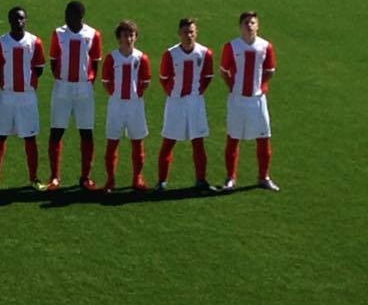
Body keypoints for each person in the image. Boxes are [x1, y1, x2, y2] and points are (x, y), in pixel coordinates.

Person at [0, 6, 48, 192]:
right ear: (9, 20)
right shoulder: (1, 42)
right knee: (0, 136)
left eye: (22, 18)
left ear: (26, 20)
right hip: (7, 97)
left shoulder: (35, 42)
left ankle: (34, 178)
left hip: (27, 97)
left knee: (30, 137)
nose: (19, 21)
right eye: (15, 18)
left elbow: (39, 68)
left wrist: (26, 82)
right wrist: (5, 83)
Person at [220, 11, 279, 192]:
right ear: (240, 26)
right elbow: (224, 71)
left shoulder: (265, 46)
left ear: (258, 25)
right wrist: (233, 87)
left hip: (258, 100)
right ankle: (231, 178)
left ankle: (264, 177)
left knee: (264, 138)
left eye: (253, 22)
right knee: (233, 138)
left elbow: (270, 70)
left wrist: (259, 87)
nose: (249, 26)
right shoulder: (231, 46)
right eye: (246, 22)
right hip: (237, 100)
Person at [155, 17, 216, 192]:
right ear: (179, 34)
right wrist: (174, 93)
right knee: (169, 141)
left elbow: (207, 77)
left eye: (191, 32)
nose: (188, 35)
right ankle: (161, 181)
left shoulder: (205, 53)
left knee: (198, 142)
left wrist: (196, 92)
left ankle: (201, 180)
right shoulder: (171, 54)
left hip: (196, 103)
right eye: (185, 32)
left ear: (196, 33)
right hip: (176, 103)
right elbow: (164, 79)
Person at [47, 0, 103, 190]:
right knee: (57, 131)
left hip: (84, 89)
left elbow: (95, 62)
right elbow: (53, 61)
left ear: (80, 16)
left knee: (86, 132)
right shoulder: (58, 33)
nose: (66, 17)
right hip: (62, 87)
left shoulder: (93, 34)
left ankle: (85, 177)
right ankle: (55, 177)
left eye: (70, 14)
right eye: (66, 14)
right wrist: (62, 79)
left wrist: (86, 82)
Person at [100, 20, 152, 193]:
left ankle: (138, 178)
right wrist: (117, 94)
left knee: (137, 142)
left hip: (135, 105)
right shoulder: (112, 58)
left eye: (131, 35)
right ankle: (110, 180)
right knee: (112, 142)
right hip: (116, 105)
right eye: (125, 35)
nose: (128, 39)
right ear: (119, 37)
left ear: (136, 37)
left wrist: (135, 94)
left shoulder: (141, 58)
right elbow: (106, 81)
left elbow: (146, 81)